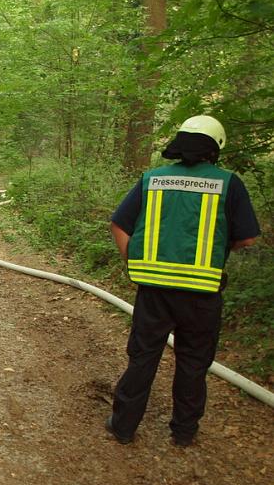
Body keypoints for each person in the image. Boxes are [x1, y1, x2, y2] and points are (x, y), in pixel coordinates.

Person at [106, 115, 260, 446]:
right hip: (201, 294)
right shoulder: (228, 184)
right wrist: (221, 245)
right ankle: (184, 432)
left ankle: (122, 427)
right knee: (193, 362)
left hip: (154, 290)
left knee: (143, 356)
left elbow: (119, 224)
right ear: (215, 148)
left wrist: (133, 261)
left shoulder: (152, 179)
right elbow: (247, 239)